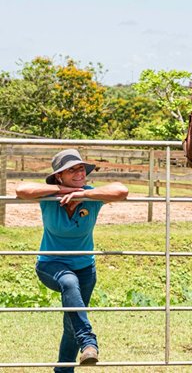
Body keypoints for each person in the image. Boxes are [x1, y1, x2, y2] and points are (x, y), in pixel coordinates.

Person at [16, 149, 129, 371]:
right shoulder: (49, 198)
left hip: (85, 268)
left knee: (71, 323)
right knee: (69, 282)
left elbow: (122, 190)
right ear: (59, 176)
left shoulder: (92, 197)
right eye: (71, 170)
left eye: (81, 168)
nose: (79, 173)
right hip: (51, 264)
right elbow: (21, 189)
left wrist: (83, 195)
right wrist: (63, 191)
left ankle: (63, 370)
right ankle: (88, 342)